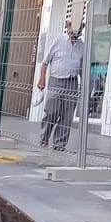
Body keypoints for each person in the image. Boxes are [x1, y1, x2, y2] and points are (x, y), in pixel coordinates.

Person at [37, 21, 84, 151]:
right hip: (56, 81)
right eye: (72, 26)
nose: (75, 30)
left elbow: (83, 68)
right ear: (67, 27)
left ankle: (59, 144)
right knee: (52, 112)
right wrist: (42, 79)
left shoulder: (82, 46)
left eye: (79, 28)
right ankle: (44, 138)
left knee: (67, 115)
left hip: (72, 82)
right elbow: (45, 63)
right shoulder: (58, 41)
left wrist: (84, 86)